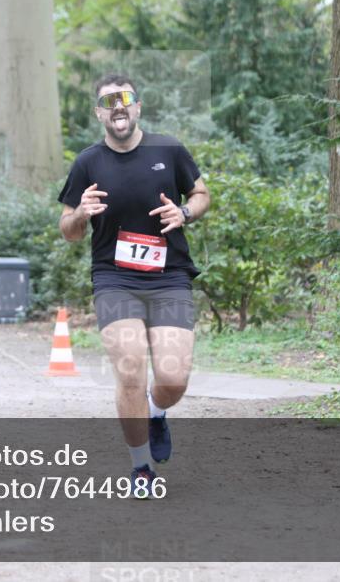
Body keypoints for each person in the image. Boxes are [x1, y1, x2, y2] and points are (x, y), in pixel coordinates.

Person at [58, 73, 210, 498]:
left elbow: (200, 193)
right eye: (109, 101)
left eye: (125, 98)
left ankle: (157, 412)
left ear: (138, 107)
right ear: (99, 113)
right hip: (114, 278)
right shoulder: (88, 162)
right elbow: (67, 229)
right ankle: (141, 468)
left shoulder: (169, 149)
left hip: (170, 277)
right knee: (129, 372)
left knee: (174, 378)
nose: (118, 106)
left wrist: (186, 213)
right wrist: (80, 215)